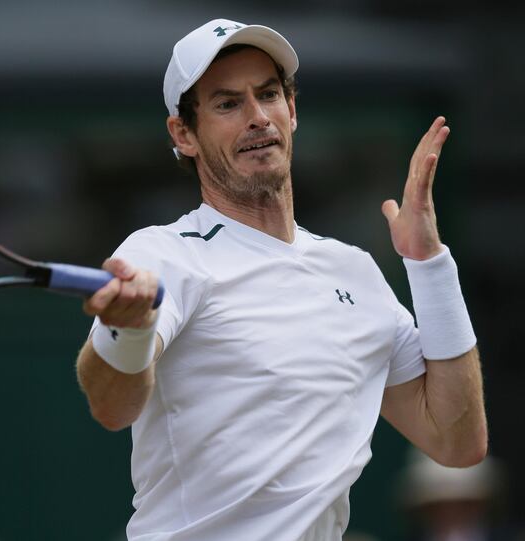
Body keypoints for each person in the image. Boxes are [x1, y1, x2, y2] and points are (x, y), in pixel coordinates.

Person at [74, 18, 487, 541]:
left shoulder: (354, 270)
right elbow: (112, 408)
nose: (256, 118)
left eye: (268, 95)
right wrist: (128, 331)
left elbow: (457, 441)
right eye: (227, 104)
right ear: (184, 135)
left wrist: (430, 265)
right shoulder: (162, 254)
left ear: (291, 111)